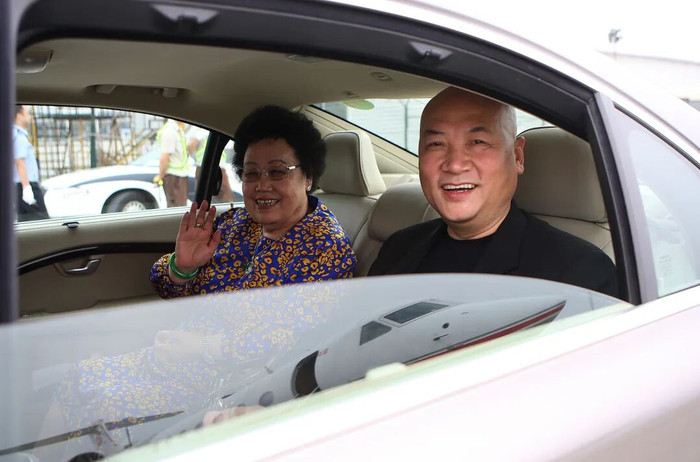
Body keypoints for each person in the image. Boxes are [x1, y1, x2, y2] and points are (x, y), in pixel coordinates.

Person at [369, 87, 618, 297]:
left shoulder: (578, 273)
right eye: (436, 144)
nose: (454, 164)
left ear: (517, 156)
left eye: (478, 142)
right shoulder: (398, 248)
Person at [150, 105, 357, 299]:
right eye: (251, 173)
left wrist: (199, 330)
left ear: (308, 177)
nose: (262, 185)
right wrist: (183, 270)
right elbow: (166, 287)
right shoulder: (232, 224)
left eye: (277, 171)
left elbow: (283, 326)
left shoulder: (325, 249)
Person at [13, 105, 48, 221]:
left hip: (20, 186)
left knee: (27, 221)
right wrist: (27, 188)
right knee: (41, 221)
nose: (30, 116)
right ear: (19, 115)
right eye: (27, 113)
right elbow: (20, 162)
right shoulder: (19, 137)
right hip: (26, 185)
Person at [187, 125, 236, 203]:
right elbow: (189, 149)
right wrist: (198, 137)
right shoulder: (196, 128)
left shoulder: (217, 126)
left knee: (225, 198)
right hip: (202, 167)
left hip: (218, 166)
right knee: (203, 199)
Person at [155, 119, 190, 207]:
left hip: (179, 177)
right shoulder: (170, 132)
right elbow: (164, 158)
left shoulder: (177, 130)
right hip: (174, 179)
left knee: (180, 208)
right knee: (177, 209)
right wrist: (160, 177)